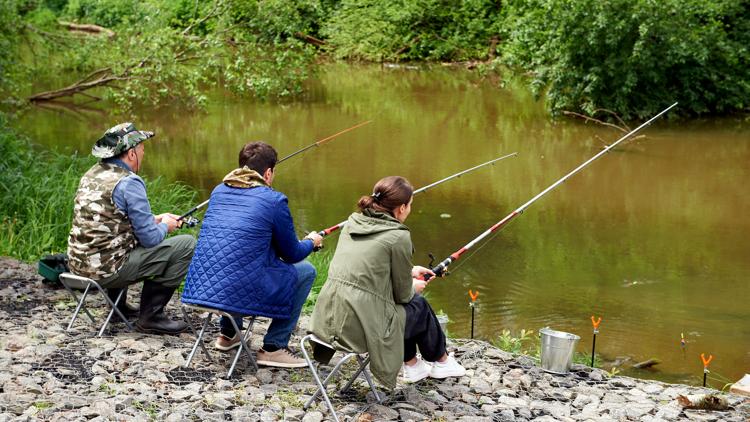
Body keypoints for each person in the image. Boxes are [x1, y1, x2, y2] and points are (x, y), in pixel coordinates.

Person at [310, 176, 466, 389]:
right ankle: (441, 360)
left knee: (399, 309)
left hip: (326, 321)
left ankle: (412, 364)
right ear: (401, 208)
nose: (409, 209)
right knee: (416, 305)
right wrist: (413, 285)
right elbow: (403, 294)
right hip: (356, 330)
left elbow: (366, 270)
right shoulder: (398, 236)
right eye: (410, 205)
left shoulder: (353, 223)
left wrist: (410, 271)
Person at [182, 141, 323, 368]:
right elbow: (292, 254)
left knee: (234, 260)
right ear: (268, 173)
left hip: (199, 289)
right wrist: (311, 242)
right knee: (306, 271)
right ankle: (274, 348)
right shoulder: (274, 200)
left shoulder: (218, 192)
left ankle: (228, 334)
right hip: (237, 289)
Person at [67, 122, 195, 335]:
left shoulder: (93, 173)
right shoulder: (129, 182)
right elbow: (151, 240)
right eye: (143, 149)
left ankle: (118, 309)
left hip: (78, 265)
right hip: (106, 271)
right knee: (186, 244)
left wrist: (156, 219)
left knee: (121, 240)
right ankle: (151, 317)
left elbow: (111, 221)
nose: (144, 154)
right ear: (132, 154)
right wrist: (166, 226)